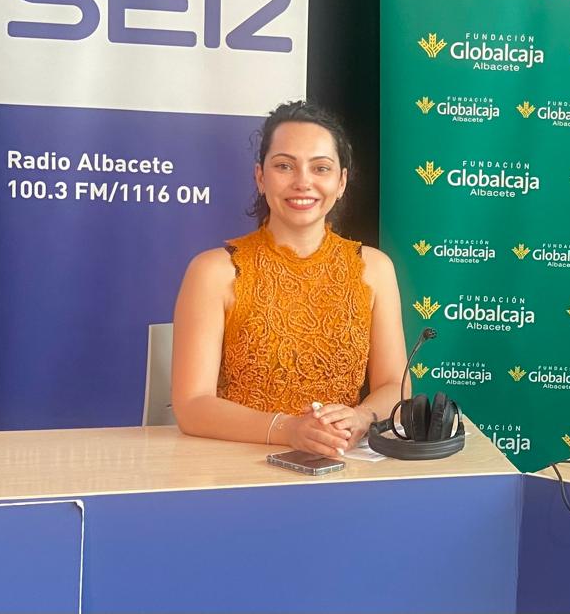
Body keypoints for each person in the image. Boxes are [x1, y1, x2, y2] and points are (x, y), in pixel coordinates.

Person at [171, 100, 408, 457]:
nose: (303, 182)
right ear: (260, 177)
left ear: (341, 182)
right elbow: (192, 406)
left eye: (321, 168)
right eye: (284, 166)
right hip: (233, 468)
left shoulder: (374, 268)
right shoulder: (215, 271)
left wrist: (362, 417)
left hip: (341, 467)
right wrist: (289, 430)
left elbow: (395, 385)